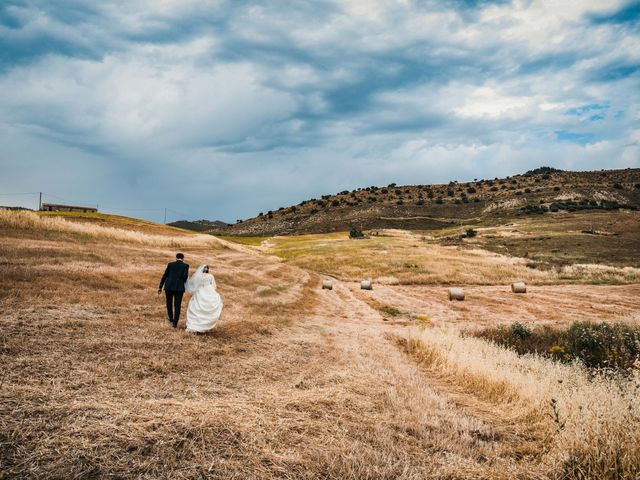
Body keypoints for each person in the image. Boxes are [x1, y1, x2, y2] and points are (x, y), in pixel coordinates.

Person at [185, 264, 223, 333]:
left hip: (199, 291)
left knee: (196, 308)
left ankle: (194, 324)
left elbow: (194, 284)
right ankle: (205, 324)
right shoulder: (210, 276)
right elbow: (214, 286)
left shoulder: (198, 276)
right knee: (207, 307)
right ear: (208, 269)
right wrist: (211, 291)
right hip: (208, 290)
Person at [158, 253, 189, 328]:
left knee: (169, 302)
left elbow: (165, 275)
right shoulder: (185, 266)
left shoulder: (170, 264)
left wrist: (160, 287)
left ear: (176, 258)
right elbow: (185, 277)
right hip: (179, 288)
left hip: (168, 286)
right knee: (177, 305)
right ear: (183, 258)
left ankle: (171, 318)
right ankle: (175, 323)